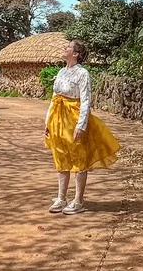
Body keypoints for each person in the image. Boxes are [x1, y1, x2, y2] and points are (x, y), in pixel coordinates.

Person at [44, 39, 120, 214]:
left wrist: (81, 125)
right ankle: (61, 197)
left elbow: (86, 100)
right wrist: (48, 122)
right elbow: (54, 98)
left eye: (68, 47)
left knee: (79, 158)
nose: (65, 48)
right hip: (58, 119)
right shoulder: (62, 72)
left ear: (76, 54)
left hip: (74, 117)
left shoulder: (82, 73)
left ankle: (78, 200)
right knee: (60, 156)